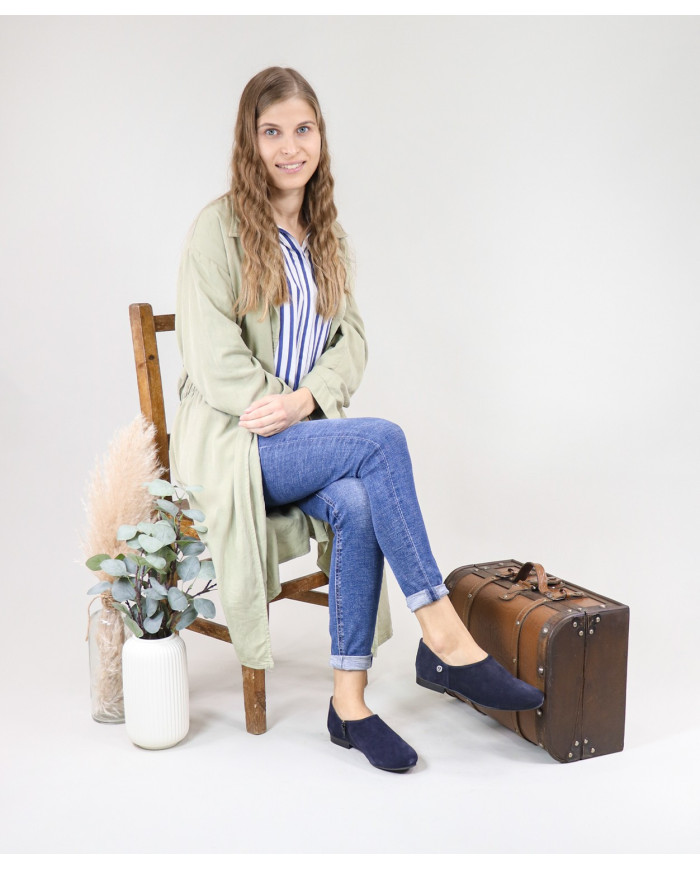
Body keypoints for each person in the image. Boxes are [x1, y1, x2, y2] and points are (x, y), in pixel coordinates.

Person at [170, 66, 543, 773]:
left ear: (321, 138)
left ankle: (349, 703)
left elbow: (352, 340)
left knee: (360, 501)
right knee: (380, 440)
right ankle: (444, 635)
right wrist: (282, 405)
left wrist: (305, 401)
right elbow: (211, 357)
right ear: (250, 141)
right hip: (235, 442)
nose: (289, 147)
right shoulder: (217, 229)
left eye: (302, 129)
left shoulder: (325, 235)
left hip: (298, 435)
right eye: (272, 132)